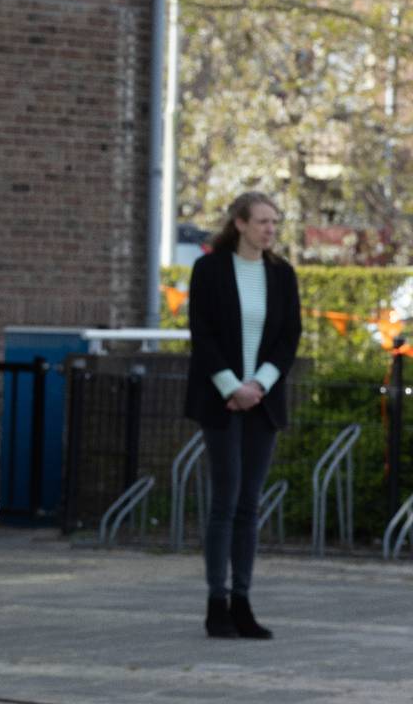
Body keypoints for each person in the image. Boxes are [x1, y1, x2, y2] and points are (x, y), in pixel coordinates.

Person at [184, 191, 301, 640]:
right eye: (263, 221)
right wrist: (233, 387)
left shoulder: (282, 274)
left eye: (274, 222)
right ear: (240, 223)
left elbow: (289, 337)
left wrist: (259, 386)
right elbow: (202, 333)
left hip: (262, 403)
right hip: (221, 400)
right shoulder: (209, 269)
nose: (270, 229)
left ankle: (243, 601)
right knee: (225, 501)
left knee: (249, 505)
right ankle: (217, 604)